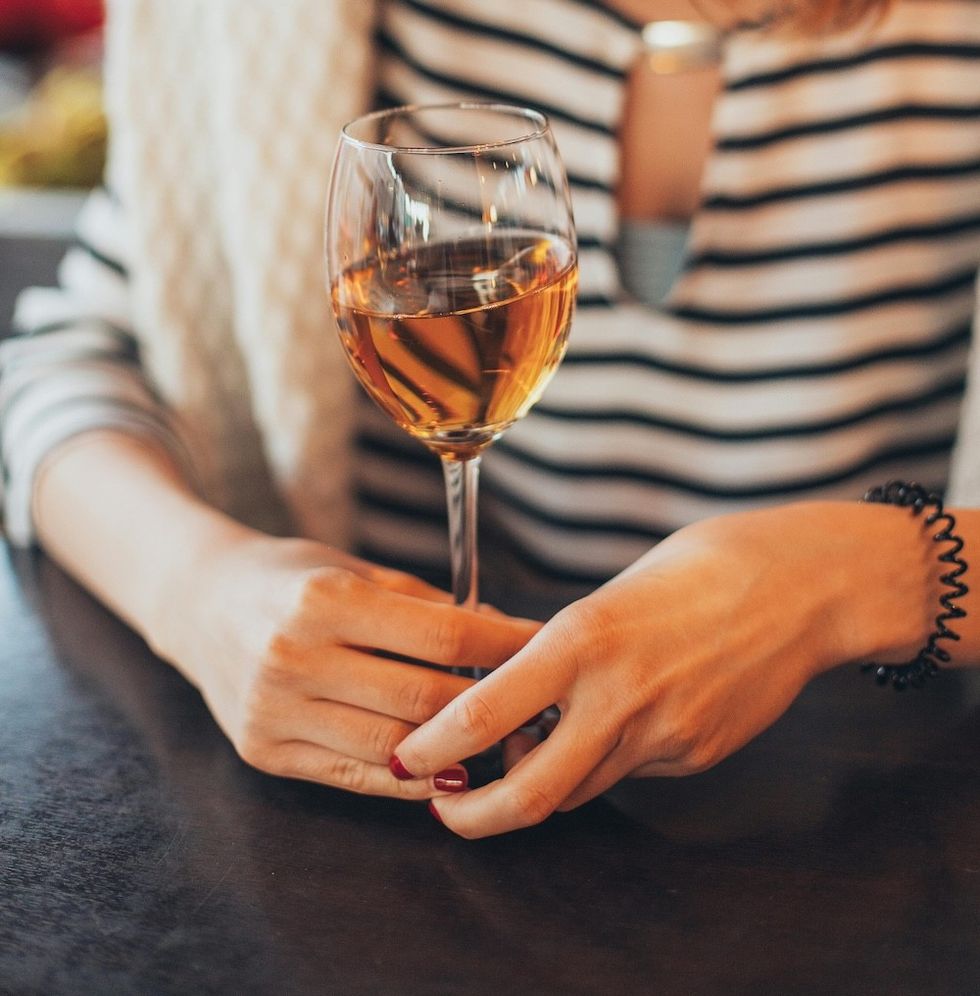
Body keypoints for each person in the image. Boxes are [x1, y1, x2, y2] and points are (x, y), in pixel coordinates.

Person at [2, 0, 980, 836]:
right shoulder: (271, 24)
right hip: (362, 822)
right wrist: (196, 588)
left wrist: (855, 581)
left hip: (833, 813)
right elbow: (62, 364)